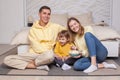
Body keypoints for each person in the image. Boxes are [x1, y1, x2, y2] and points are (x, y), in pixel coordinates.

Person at [3, 6, 65, 71]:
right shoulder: (33, 29)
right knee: (7, 59)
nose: (46, 16)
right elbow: (36, 47)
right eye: (44, 13)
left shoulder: (55, 27)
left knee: (50, 55)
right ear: (39, 14)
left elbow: (68, 31)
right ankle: (35, 65)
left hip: (47, 55)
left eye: (48, 14)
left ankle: (33, 63)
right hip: (33, 55)